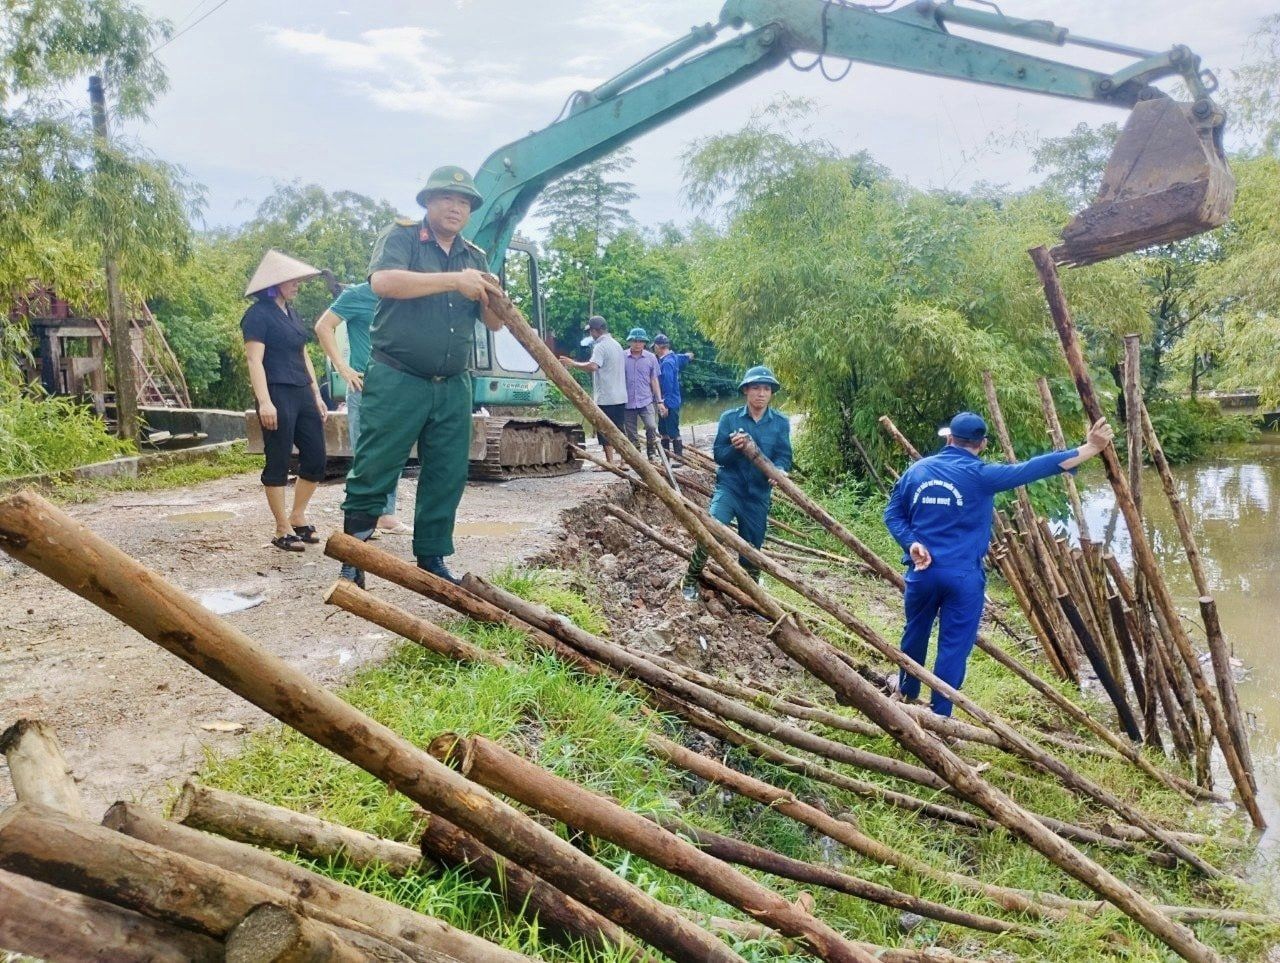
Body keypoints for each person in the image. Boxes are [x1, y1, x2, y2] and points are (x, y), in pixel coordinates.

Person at [883, 410, 1114, 716]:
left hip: (922, 573)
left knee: (915, 632)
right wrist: (1091, 448)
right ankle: (940, 716)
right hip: (963, 578)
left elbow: (892, 515)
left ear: (950, 438)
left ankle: (908, 694)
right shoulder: (983, 476)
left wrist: (911, 543)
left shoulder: (917, 471)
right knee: (953, 647)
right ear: (982, 444)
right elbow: (1035, 468)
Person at [339, 166, 504, 588]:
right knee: (375, 464)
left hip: (452, 383)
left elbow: (494, 324)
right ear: (428, 202)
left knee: (448, 471)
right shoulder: (403, 237)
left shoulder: (476, 257)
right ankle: (354, 554)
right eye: (447, 198)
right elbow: (384, 282)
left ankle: (431, 556)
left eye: (464, 201)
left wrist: (493, 298)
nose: (455, 207)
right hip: (398, 376)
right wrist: (454, 281)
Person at [240, 249, 327, 552]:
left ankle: (298, 515)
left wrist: (316, 394)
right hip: (276, 391)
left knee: (316, 456)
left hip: (302, 389)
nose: (297, 285)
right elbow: (254, 360)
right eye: (291, 281)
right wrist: (264, 401)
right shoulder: (257, 315)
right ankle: (281, 528)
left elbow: (303, 353)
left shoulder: (292, 313)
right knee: (278, 458)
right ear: (274, 283)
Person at [682, 366, 792, 602]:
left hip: (759, 494)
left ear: (771, 393)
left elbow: (784, 456)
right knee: (713, 530)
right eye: (755, 388)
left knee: (752, 547)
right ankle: (690, 578)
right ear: (746, 391)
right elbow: (719, 456)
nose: (761, 393)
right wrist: (736, 448)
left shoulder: (781, 423)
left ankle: (750, 593)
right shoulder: (730, 419)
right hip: (730, 488)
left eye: (766, 389)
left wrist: (779, 471)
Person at [315, 282, 411, 536]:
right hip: (365, 388)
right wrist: (341, 367)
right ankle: (363, 519)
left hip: (397, 388)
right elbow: (323, 326)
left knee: (394, 453)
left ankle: (386, 516)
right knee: (366, 455)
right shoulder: (357, 295)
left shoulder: (402, 293)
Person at [558, 315, 626, 468]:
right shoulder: (617, 345)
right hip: (620, 395)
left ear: (596, 331)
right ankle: (623, 461)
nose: (591, 335)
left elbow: (593, 366)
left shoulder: (600, 346)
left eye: (591, 332)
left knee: (605, 430)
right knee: (619, 429)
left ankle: (610, 463)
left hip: (606, 396)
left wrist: (572, 363)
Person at [622, 327, 665, 460]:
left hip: (646, 399)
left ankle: (651, 452)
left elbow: (654, 380)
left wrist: (659, 401)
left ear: (644, 343)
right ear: (629, 341)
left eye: (640, 341)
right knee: (631, 432)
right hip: (627, 401)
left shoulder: (651, 358)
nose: (637, 343)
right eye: (634, 341)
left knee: (651, 426)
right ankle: (637, 456)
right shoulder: (622, 356)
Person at [653, 333, 693, 456]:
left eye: (654, 346)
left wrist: (664, 405)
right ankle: (667, 457)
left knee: (672, 431)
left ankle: (679, 457)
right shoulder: (674, 358)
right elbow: (686, 357)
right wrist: (689, 356)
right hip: (671, 400)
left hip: (668, 402)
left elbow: (668, 386)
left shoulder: (666, 363)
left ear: (659, 347)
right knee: (663, 430)